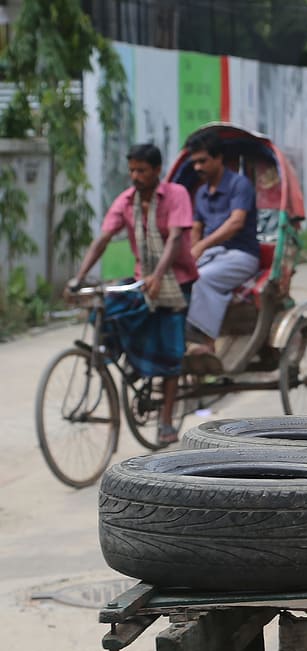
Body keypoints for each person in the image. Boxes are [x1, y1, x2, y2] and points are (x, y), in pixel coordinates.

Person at [69, 143, 197, 446]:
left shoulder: (176, 195)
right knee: (107, 309)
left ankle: (166, 422)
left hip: (177, 280)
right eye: (132, 171)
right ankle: (130, 359)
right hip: (143, 279)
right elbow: (103, 238)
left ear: (156, 171)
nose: (135, 176)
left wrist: (158, 274)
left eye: (141, 170)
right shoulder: (126, 201)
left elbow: (176, 239)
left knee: (170, 351)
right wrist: (80, 277)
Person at [184, 129, 260, 355]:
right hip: (212, 255)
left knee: (202, 279)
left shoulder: (239, 185)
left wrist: (201, 246)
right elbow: (196, 227)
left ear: (218, 158)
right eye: (194, 162)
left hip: (241, 255)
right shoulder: (201, 193)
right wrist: (190, 253)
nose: (198, 167)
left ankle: (206, 343)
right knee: (178, 280)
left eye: (203, 161)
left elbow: (236, 223)